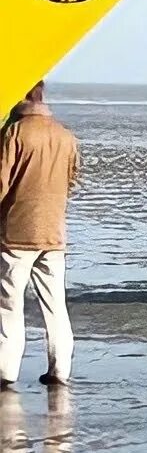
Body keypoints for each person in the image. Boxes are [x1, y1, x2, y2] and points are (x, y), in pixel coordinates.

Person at [0, 82, 80, 390]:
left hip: (17, 233)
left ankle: (6, 370)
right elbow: (71, 181)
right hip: (54, 232)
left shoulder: (15, 133)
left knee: (10, 305)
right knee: (56, 306)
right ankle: (60, 370)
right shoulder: (65, 136)